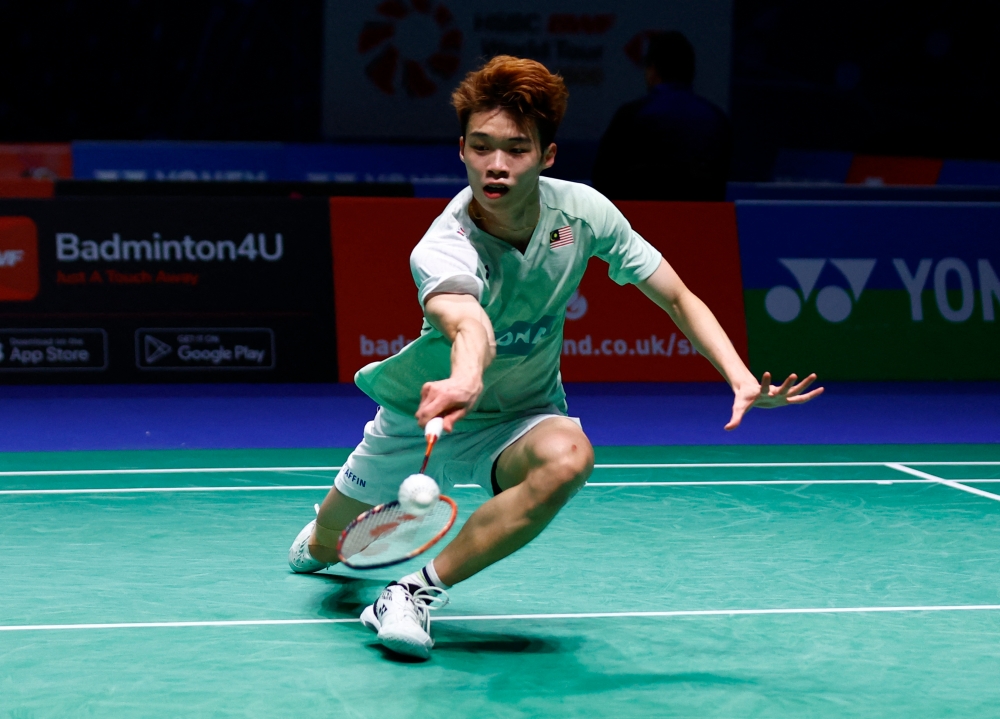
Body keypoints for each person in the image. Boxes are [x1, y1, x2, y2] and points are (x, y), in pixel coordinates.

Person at [288, 55, 821, 660]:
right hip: (426, 410)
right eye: (482, 147)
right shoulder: (443, 245)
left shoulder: (585, 213)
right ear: (461, 150)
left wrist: (739, 375)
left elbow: (675, 293)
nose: (496, 165)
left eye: (516, 149)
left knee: (569, 459)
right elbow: (469, 324)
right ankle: (325, 539)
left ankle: (411, 594)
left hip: (522, 414)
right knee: (332, 547)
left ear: (547, 156)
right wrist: (465, 379)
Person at [592, 31, 732, 201]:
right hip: (701, 224)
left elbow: (602, 181)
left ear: (652, 71)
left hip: (639, 223)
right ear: (691, 72)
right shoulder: (717, 119)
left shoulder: (630, 115)